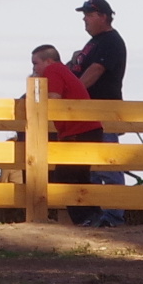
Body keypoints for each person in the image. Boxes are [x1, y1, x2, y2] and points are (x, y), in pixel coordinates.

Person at [67, 0, 128, 227]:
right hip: (88, 114)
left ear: (103, 16)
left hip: (102, 111)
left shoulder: (110, 41)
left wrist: (74, 93)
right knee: (91, 167)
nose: (84, 19)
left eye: (89, 15)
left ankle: (113, 217)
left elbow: (96, 70)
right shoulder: (94, 43)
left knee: (108, 165)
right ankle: (96, 215)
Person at [31, 43, 97, 213]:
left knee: (66, 177)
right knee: (80, 178)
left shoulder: (52, 71)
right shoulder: (62, 71)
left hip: (77, 131)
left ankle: (85, 218)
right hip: (86, 129)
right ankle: (93, 217)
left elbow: (53, 100)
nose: (34, 68)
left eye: (36, 63)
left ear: (48, 61)